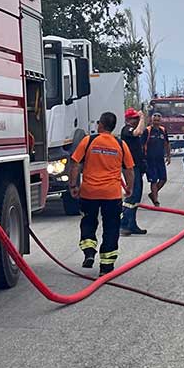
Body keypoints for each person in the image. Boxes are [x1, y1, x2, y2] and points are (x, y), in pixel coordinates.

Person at [67, 112, 135, 274]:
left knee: (88, 221)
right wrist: (130, 188)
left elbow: (75, 164)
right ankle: (106, 266)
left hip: (89, 192)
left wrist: (73, 185)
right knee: (111, 228)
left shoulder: (88, 141)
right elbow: (129, 170)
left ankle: (89, 251)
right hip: (112, 195)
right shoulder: (120, 144)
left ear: (101, 125)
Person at [120, 108, 149, 237]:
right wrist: (142, 118)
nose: (137, 120)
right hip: (130, 167)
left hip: (137, 166)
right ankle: (124, 224)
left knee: (137, 196)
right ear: (128, 120)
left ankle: (132, 224)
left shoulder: (133, 129)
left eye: (137, 118)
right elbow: (138, 132)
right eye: (135, 118)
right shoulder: (126, 130)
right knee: (131, 196)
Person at [146, 112, 171, 205]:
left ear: (161, 120)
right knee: (153, 180)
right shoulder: (147, 131)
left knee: (163, 179)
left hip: (160, 159)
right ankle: (155, 200)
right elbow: (142, 145)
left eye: (158, 120)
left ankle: (153, 194)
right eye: (155, 120)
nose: (156, 122)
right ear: (151, 120)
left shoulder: (163, 130)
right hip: (150, 160)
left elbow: (167, 144)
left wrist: (168, 156)